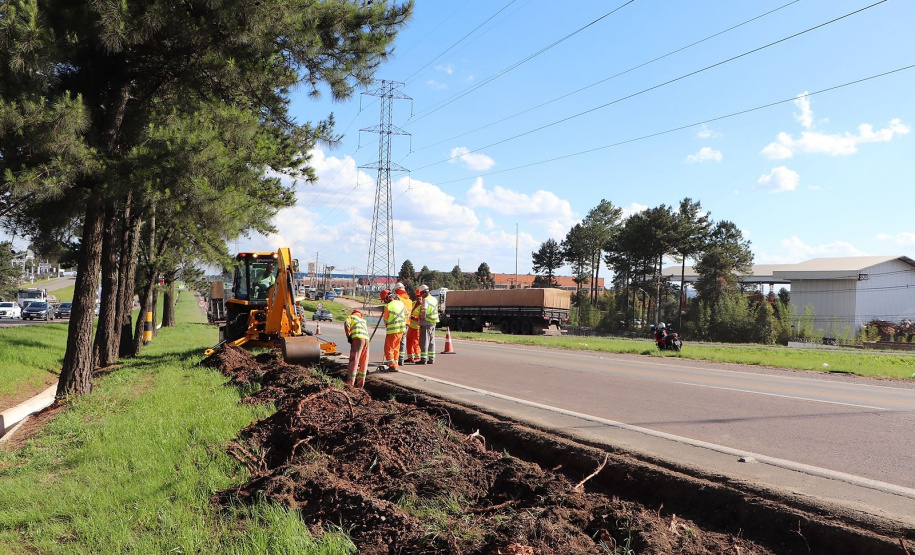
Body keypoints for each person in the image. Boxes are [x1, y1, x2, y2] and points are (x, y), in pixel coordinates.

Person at [380, 289, 406, 372]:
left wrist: (387, 325)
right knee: (396, 347)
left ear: (387, 298)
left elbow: (386, 320)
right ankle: (395, 363)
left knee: (389, 348)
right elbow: (405, 314)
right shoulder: (401, 303)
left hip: (393, 330)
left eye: (384, 300)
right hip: (401, 329)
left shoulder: (388, 306)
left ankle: (392, 365)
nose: (384, 302)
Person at [343, 309, 369, 387]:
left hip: (358, 339)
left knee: (354, 360)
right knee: (364, 361)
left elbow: (346, 324)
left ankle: (350, 384)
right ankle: (360, 385)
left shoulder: (351, 317)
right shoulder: (363, 320)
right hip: (366, 340)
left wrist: (348, 336)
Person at [416, 284, 439, 365]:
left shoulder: (425, 300)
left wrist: (420, 317)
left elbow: (423, 311)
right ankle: (431, 359)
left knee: (424, 341)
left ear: (424, 292)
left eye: (421, 294)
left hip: (426, 322)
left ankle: (423, 359)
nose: (421, 296)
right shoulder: (434, 299)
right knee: (432, 341)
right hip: (433, 322)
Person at [394, 282, 413, 366]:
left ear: (397, 290)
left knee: (396, 341)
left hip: (398, 323)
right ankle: (401, 360)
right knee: (403, 342)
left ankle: (395, 359)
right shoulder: (409, 300)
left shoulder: (397, 298)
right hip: (406, 323)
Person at [406, 288, 423, 363]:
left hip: (417, 327)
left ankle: (417, 357)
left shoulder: (423, 305)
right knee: (409, 342)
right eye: (417, 296)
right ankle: (410, 357)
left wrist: (414, 317)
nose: (418, 297)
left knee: (416, 343)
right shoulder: (413, 303)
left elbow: (423, 317)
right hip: (410, 327)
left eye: (420, 296)